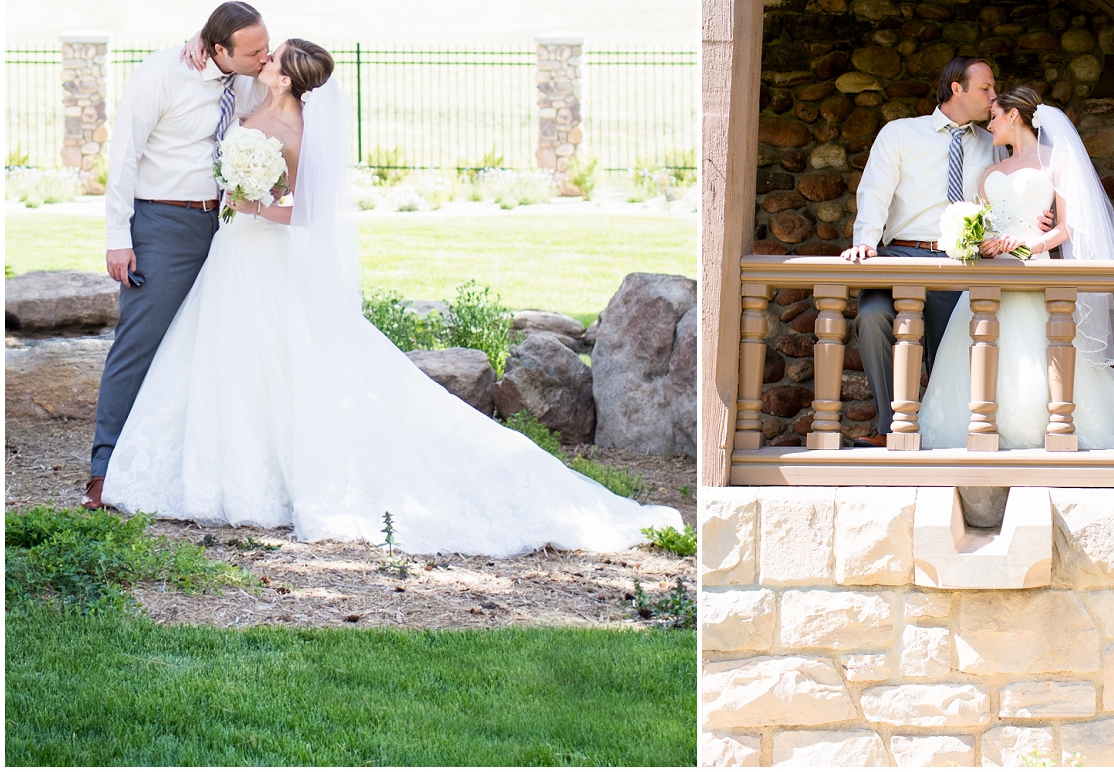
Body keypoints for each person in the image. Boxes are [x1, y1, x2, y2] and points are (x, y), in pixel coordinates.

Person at [100, 38, 682, 555]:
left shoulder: (297, 132)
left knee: (278, 359)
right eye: (261, 52)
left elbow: (306, 211)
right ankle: (220, 469)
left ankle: (262, 476)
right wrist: (194, 43)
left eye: (271, 58)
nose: (263, 57)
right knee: (231, 361)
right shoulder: (252, 93)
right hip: (233, 255)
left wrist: (253, 204)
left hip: (260, 249)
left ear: (282, 78)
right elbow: (219, 58)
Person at [918, 85, 1114, 454]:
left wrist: (1029, 245)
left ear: (1013, 115)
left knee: (1045, 359)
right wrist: (985, 244)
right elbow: (989, 226)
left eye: (993, 117)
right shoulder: (991, 172)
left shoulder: (1057, 161)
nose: (989, 126)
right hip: (992, 282)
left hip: (1036, 273)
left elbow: (1069, 226)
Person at [85, 2, 269, 510]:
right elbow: (122, 157)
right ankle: (105, 468)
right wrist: (117, 237)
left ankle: (186, 463)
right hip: (164, 223)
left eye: (264, 47)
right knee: (139, 343)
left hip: (231, 227)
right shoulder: (161, 75)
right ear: (217, 50)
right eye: (253, 51)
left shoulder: (253, 75)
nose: (263, 56)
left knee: (215, 345)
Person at [840, 58, 1052, 448]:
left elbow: (1015, 191)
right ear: (957, 88)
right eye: (986, 88)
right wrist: (866, 241)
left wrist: (1034, 221)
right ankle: (891, 430)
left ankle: (943, 436)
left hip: (963, 262)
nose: (993, 98)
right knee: (873, 317)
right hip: (900, 255)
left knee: (954, 342)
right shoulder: (901, 133)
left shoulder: (993, 144)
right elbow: (875, 191)